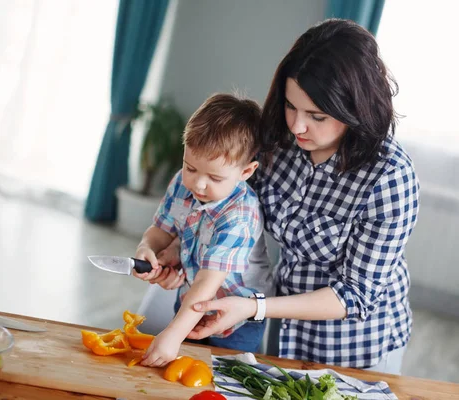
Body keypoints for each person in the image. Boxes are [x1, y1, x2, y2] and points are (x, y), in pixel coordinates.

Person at [166, 18, 419, 374]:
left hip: (354, 345)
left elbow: (355, 295)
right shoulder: (278, 141)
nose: (297, 126)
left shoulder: (390, 177)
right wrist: (177, 252)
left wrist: (255, 307)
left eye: (317, 116)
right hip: (280, 326)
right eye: (290, 106)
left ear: (356, 109)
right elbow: (225, 209)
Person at [132, 93, 274, 367]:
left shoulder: (241, 215)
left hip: (237, 319)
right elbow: (162, 229)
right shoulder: (182, 183)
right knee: (180, 370)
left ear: (246, 172)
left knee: (228, 376)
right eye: (190, 167)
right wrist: (147, 248)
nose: (198, 184)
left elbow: (210, 281)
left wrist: (174, 332)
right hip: (190, 298)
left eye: (215, 178)